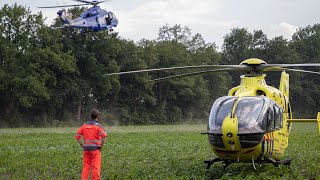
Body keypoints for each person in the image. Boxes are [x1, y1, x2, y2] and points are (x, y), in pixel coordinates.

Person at [75, 109, 107, 180]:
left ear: (91, 116)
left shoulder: (84, 125)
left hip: (86, 149)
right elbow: (104, 136)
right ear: (97, 116)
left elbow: (77, 136)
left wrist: (82, 145)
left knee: (86, 167)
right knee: (95, 167)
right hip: (95, 149)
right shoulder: (99, 126)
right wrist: (101, 146)